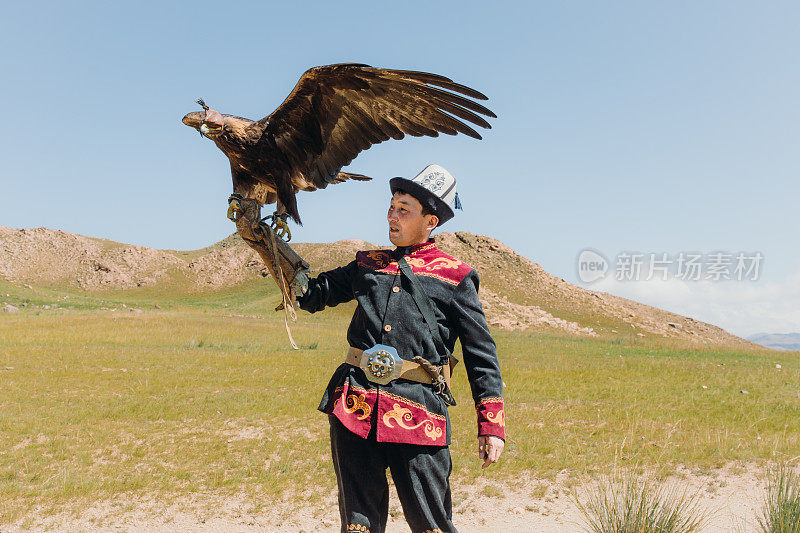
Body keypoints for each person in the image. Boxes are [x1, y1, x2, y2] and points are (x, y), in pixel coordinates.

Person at [295, 164, 505, 533]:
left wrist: (491, 424)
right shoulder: (367, 265)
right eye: (391, 206)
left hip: (420, 414)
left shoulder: (456, 276)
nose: (392, 215)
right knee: (359, 524)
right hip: (355, 408)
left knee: (431, 523)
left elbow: (480, 353)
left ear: (430, 221)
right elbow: (313, 295)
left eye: (404, 209)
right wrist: (271, 250)